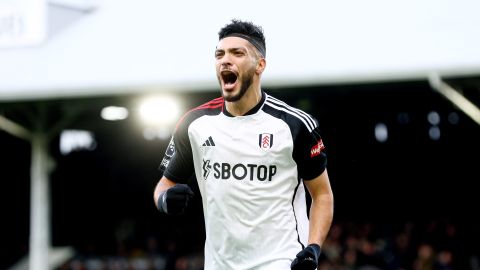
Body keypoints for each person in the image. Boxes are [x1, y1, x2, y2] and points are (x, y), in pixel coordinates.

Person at [153, 19, 334, 270]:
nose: (225, 60)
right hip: (219, 264)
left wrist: (313, 247)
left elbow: (322, 194)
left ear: (260, 65)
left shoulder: (294, 125)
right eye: (220, 54)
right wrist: (164, 200)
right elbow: (165, 184)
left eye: (237, 53)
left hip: (283, 261)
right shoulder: (194, 124)